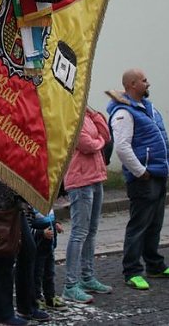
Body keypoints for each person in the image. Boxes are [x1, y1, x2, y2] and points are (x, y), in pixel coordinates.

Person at [108, 69, 169, 290]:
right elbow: (122, 147)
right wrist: (140, 171)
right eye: (144, 80)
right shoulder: (124, 113)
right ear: (132, 84)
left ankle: (155, 265)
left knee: (154, 224)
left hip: (158, 174)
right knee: (139, 225)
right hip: (144, 178)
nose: (148, 83)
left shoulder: (147, 108)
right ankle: (132, 271)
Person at [0, 165, 48, 325]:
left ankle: (26, 306)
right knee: (5, 255)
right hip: (0, 204)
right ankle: (0, 314)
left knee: (27, 250)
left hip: (13, 203)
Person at [61, 108, 113, 303]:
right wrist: (99, 142)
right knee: (79, 233)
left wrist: (94, 114)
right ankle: (70, 285)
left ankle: (87, 277)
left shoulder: (87, 116)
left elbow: (106, 135)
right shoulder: (70, 115)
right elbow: (86, 144)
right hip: (80, 180)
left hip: (96, 177)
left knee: (91, 231)